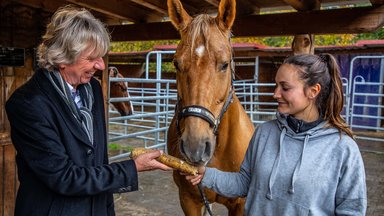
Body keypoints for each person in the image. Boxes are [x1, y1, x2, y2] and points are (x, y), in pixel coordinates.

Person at [5, 6, 170, 216]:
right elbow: (64, 177)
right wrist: (131, 168)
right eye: (92, 58)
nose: (101, 65)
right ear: (63, 58)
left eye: (101, 57)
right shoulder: (28, 104)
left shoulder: (91, 89)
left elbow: (100, 160)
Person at [186, 53, 367, 215]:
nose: (275, 94)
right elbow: (244, 182)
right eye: (276, 86)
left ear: (313, 91)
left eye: (285, 88)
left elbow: (351, 210)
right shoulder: (265, 133)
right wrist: (206, 174)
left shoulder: (343, 148)